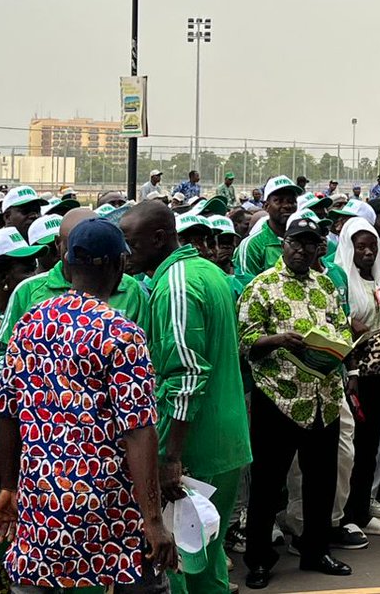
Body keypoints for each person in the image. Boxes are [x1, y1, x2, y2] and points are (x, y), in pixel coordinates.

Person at [0, 218, 176, 592]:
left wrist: (9, 485)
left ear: (68, 262)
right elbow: (139, 430)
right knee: (140, 582)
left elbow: (7, 411)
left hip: (43, 500)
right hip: (110, 505)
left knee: (37, 584)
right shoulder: (121, 334)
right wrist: (153, 519)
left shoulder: (30, 324)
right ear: (118, 266)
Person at [121, 199, 250, 594]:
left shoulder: (177, 285)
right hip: (224, 438)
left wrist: (171, 456)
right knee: (207, 563)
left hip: (195, 446)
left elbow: (187, 376)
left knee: (178, 562)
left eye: (132, 243)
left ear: (160, 238)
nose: (126, 253)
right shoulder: (208, 271)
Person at [238, 213, 355, 587]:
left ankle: (315, 549)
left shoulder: (326, 286)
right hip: (280, 399)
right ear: (283, 244)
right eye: (296, 243)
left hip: (323, 397)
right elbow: (245, 343)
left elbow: (342, 329)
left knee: (320, 481)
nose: (303, 251)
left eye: (310, 244)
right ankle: (258, 559)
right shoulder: (262, 287)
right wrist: (278, 340)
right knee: (269, 484)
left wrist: (342, 357)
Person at [0, 208, 151, 371]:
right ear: (58, 244)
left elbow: (146, 357)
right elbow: (4, 358)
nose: (86, 253)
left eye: (94, 248)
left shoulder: (132, 290)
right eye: (78, 247)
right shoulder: (28, 291)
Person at [330, 219, 380, 541]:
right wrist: (349, 322)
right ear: (349, 248)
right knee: (349, 449)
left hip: (377, 375)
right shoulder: (339, 281)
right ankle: (342, 515)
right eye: (361, 246)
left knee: (370, 446)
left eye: (372, 246)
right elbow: (331, 321)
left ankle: (361, 510)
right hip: (351, 377)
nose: (368, 252)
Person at [0, 227, 47, 333]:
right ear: (3, 277)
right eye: (28, 271)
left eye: (35, 269)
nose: (35, 276)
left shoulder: (38, 308)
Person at [235, 175, 302, 278]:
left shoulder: (304, 241)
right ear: (266, 206)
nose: (287, 206)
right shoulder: (252, 246)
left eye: (291, 201)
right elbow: (245, 288)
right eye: (279, 201)